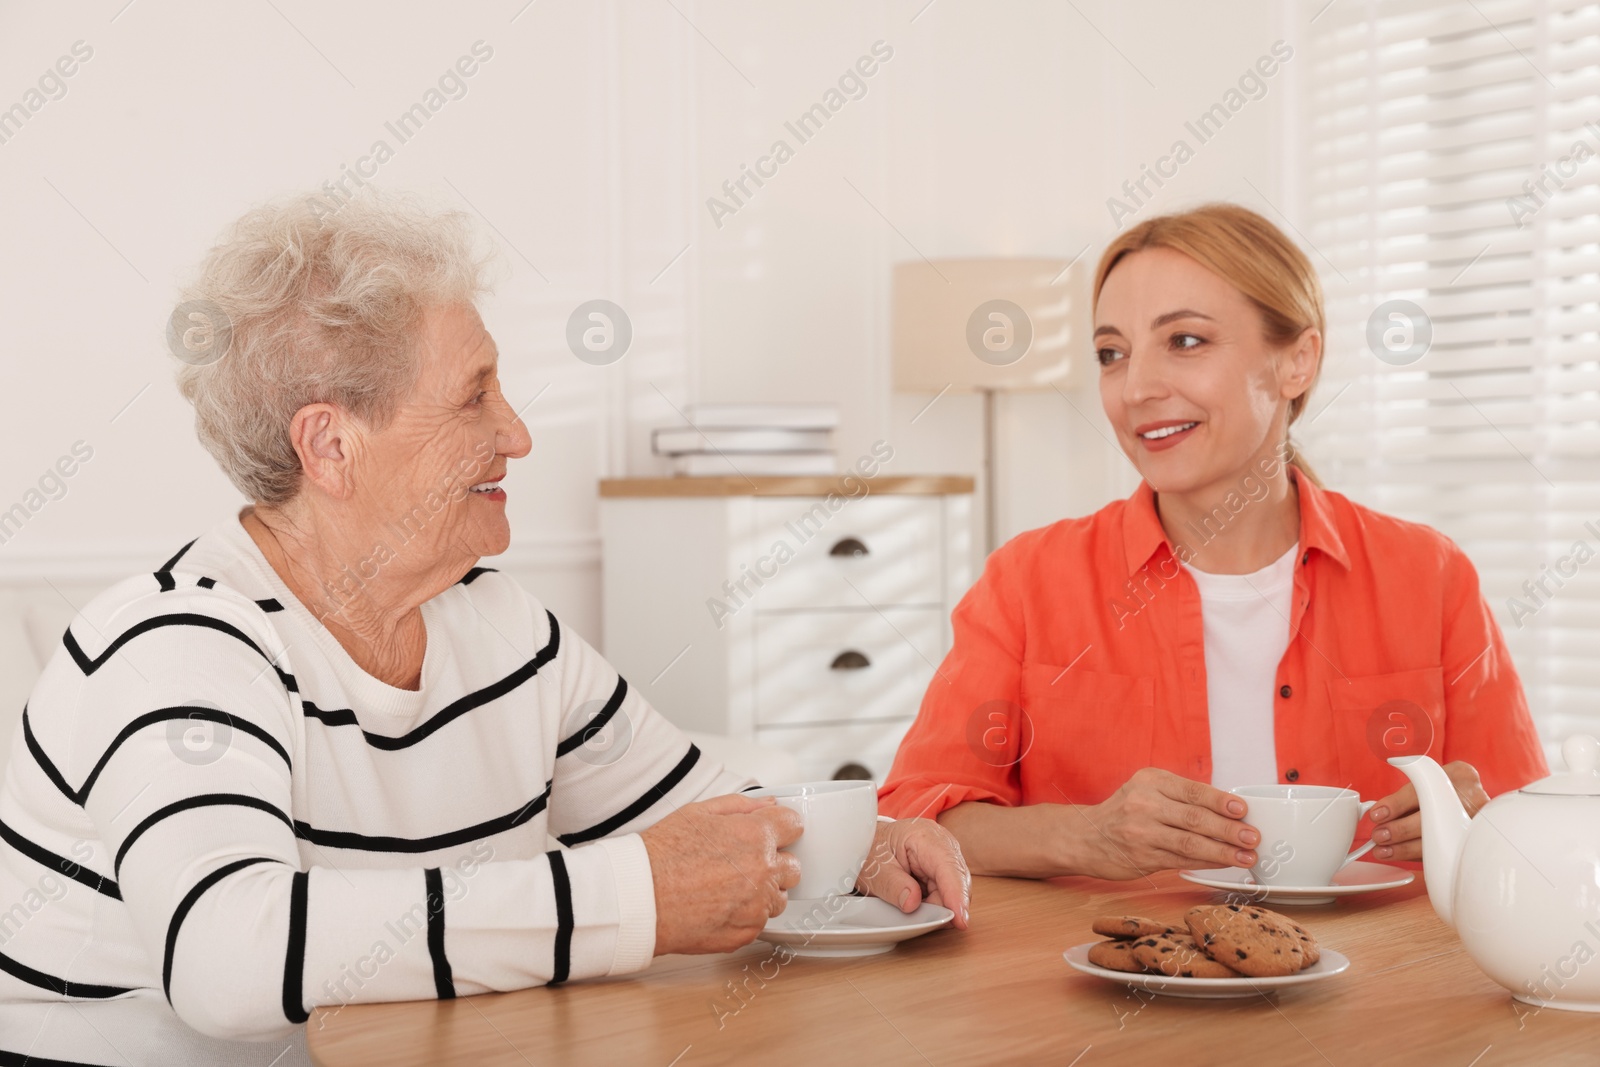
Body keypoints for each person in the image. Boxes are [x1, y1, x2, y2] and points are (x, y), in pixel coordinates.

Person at [0, 192, 969, 1066]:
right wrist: (632, 897)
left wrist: (859, 846)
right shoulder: (175, 640)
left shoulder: (496, 623)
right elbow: (225, 957)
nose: (517, 432)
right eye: (474, 394)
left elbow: (709, 819)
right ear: (331, 444)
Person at [877, 202, 1547, 881]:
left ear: (1297, 362)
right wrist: (1088, 836)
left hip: (1379, 984)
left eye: (1186, 341)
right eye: (1112, 354)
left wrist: (1481, 817)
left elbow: (1534, 828)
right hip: (1110, 982)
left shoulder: (1429, 576)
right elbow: (916, 821)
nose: (1136, 387)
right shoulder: (1027, 580)